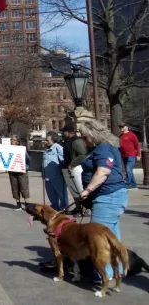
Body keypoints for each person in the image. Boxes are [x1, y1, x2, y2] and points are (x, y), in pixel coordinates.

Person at [78, 119, 129, 280]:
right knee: (113, 237)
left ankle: (104, 274)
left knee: (98, 238)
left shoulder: (103, 148)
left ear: (93, 134)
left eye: (85, 137)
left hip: (107, 197)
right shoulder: (106, 147)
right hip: (112, 196)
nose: (84, 141)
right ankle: (118, 270)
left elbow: (103, 172)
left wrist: (87, 190)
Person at [43, 133, 68, 211]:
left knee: (61, 193)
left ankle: (64, 208)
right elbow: (44, 162)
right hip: (47, 176)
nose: (45, 142)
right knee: (51, 193)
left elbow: (64, 161)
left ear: (53, 140)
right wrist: (43, 173)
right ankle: (55, 206)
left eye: (47, 140)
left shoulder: (58, 148)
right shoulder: (46, 149)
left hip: (57, 175)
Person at [6, 136, 31, 210]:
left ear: (17, 141)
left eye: (13, 140)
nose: (11, 141)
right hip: (12, 170)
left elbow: (28, 158)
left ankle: (27, 204)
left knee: (24, 186)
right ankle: (18, 204)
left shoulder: (22, 149)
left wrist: (25, 165)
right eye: (11, 140)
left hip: (21, 170)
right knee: (14, 187)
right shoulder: (8, 149)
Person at [118, 123, 141, 190]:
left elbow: (137, 145)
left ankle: (127, 184)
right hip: (124, 155)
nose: (121, 128)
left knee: (128, 169)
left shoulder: (132, 135)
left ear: (126, 127)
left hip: (131, 155)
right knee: (129, 170)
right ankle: (134, 185)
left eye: (122, 126)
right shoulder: (120, 136)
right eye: (120, 127)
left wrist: (138, 155)